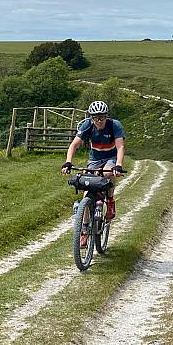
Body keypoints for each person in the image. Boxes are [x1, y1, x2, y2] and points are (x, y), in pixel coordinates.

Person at [62, 100, 126, 246]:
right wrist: (68, 162)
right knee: (86, 189)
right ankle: (84, 230)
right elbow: (75, 144)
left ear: (106, 116)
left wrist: (118, 165)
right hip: (94, 159)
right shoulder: (87, 125)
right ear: (91, 117)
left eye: (102, 117)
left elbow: (120, 147)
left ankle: (109, 200)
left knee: (108, 173)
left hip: (111, 158)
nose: (99, 120)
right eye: (96, 117)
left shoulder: (114, 125)